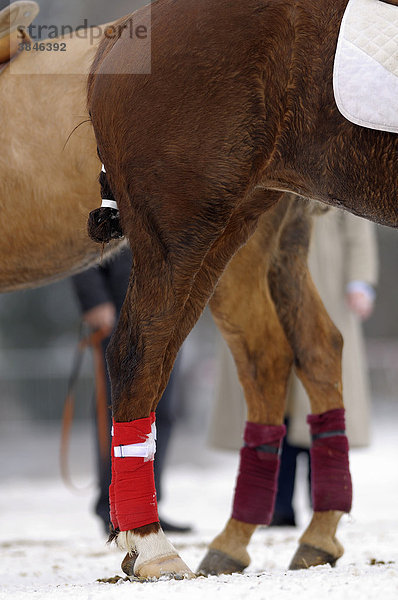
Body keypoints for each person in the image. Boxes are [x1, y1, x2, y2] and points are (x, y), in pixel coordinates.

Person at [208, 207, 378, 525]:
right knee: (275, 400)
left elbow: (358, 227)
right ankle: (277, 504)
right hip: (263, 279)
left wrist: (360, 282)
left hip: (326, 285)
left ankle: (325, 504)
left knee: (320, 397)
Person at [71, 247, 191, 533]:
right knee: (117, 413)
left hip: (166, 317)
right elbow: (82, 246)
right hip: (118, 317)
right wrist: (94, 301)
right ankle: (112, 507)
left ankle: (147, 506)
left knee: (162, 413)